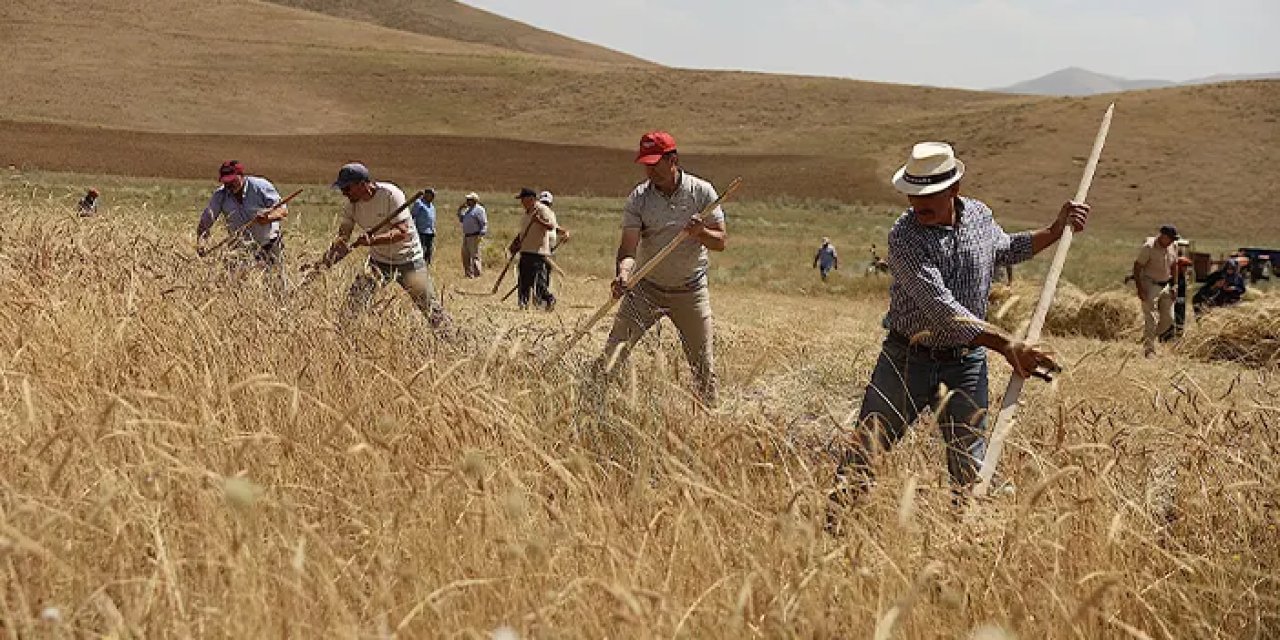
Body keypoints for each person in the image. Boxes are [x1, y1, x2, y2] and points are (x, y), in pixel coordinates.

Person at [832, 141, 1090, 508]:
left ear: (954, 189)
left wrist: (1054, 229)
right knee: (865, 453)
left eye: (929, 194)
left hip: (966, 364)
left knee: (969, 466)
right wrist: (1007, 345)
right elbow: (942, 311)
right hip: (907, 360)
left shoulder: (980, 217)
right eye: (912, 195)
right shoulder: (904, 238)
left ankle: (965, 543)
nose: (917, 204)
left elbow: (1006, 249)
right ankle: (833, 529)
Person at [601, 131, 728, 406]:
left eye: (655, 163)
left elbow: (720, 242)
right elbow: (628, 249)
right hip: (645, 287)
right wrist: (623, 274)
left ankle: (711, 418)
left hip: (690, 291)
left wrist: (700, 232)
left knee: (703, 367)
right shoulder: (639, 198)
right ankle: (589, 404)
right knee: (613, 354)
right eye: (645, 164)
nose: (650, 170)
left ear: (673, 160)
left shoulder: (702, 191)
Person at [324, 163, 446, 327]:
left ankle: (456, 344)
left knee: (431, 310)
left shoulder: (390, 194)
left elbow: (402, 232)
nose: (344, 193)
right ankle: (344, 342)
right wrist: (322, 264)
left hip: (408, 260)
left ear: (362, 184)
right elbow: (342, 239)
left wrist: (372, 241)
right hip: (378, 262)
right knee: (352, 307)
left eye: (347, 188)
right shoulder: (351, 206)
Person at [196, 160, 288, 274]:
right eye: (226, 182)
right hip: (240, 250)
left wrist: (268, 217)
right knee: (237, 286)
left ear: (241, 176)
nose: (229, 185)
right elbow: (206, 221)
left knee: (276, 285)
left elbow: (283, 211)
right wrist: (202, 242)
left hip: (268, 245)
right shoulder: (220, 196)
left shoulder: (261, 186)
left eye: (232, 181)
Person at [510, 187, 568, 310]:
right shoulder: (527, 213)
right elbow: (523, 232)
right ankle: (523, 304)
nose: (521, 203)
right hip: (525, 250)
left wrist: (538, 221)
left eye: (523, 199)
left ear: (531, 199)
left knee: (539, 282)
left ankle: (549, 300)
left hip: (538, 252)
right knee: (523, 281)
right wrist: (515, 243)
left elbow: (551, 226)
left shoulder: (542, 210)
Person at [1133, 225, 1179, 357]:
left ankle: (1149, 337)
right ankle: (1149, 350)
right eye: (1170, 238)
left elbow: (1175, 265)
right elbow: (1137, 267)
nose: (1171, 241)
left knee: (1169, 319)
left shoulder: (1173, 246)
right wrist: (1140, 289)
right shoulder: (1149, 247)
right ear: (1163, 236)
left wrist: (1175, 285)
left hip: (1166, 285)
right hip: (1150, 284)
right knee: (1151, 318)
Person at [458, 192, 488, 278]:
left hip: (475, 235)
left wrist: (482, 234)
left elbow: (484, 223)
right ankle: (468, 274)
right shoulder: (467, 210)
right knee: (465, 255)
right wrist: (460, 210)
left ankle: (477, 274)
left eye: (469, 200)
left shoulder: (479, 210)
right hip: (466, 236)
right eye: (467, 199)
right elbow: (461, 219)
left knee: (475, 255)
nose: (467, 201)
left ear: (474, 200)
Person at [410, 188, 437, 265]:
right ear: (426, 194)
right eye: (431, 195)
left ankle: (427, 265)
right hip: (421, 231)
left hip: (430, 232)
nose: (433, 197)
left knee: (429, 250)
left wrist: (433, 229)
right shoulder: (419, 203)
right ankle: (420, 265)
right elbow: (412, 215)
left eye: (433, 195)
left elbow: (432, 218)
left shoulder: (431, 205)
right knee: (422, 249)